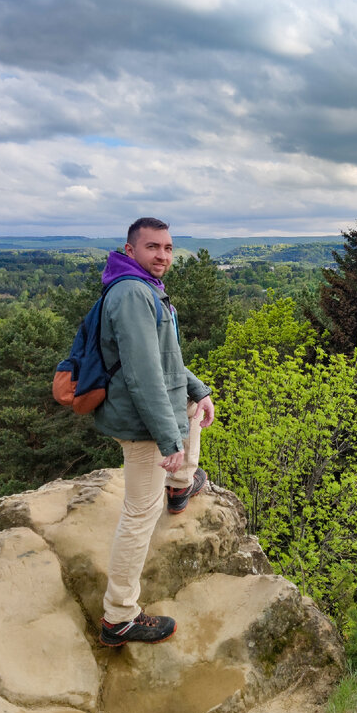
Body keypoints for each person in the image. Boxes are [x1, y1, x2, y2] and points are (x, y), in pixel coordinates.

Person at [93, 217, 215, 647]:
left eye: (167, 247)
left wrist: (198, 391)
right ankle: (119, 617)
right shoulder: (131, 294)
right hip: (139, 419)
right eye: (152, 247)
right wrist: (169, 442)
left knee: (190, 404)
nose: (162, 255)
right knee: (139, 516)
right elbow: (145, 373)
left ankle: (181, 486)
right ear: (131, 251)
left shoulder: (147, 289)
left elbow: (166, 360)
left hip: (151, 406)